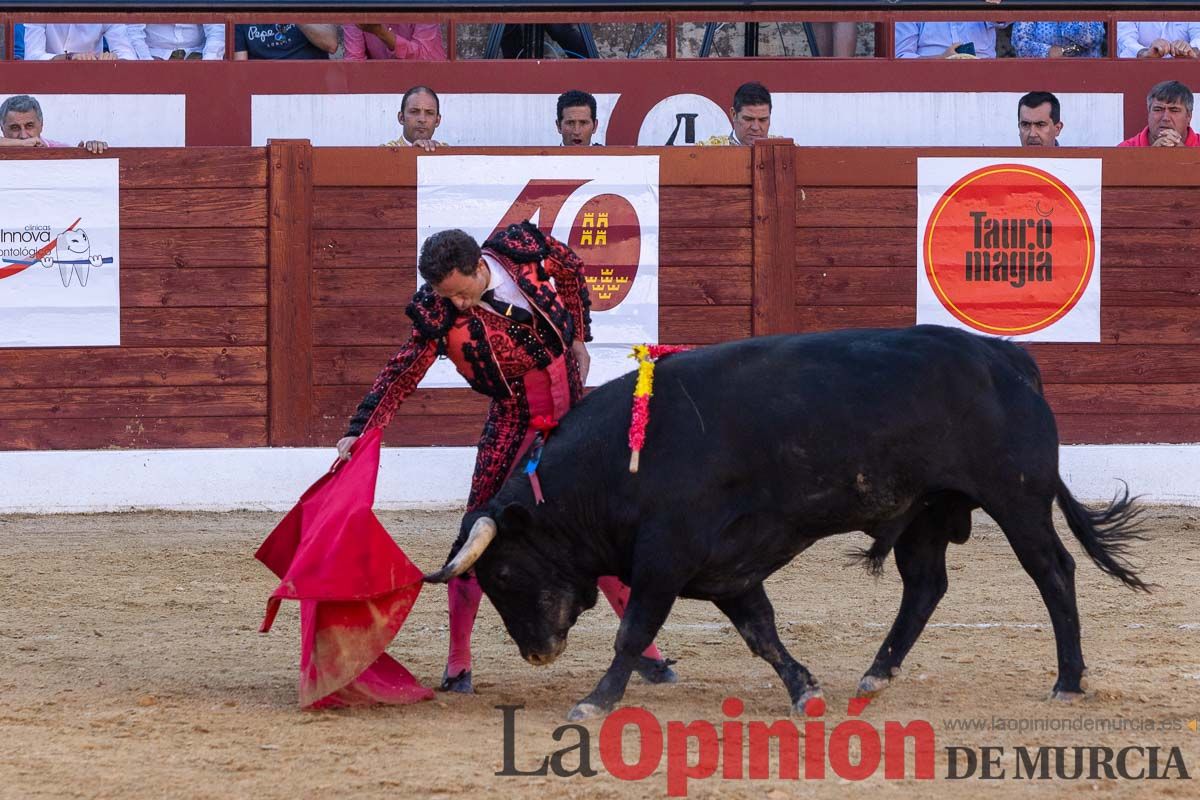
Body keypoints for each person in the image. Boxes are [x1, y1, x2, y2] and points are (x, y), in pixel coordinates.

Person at [335, 223, 676, 693]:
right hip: (514, 424)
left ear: (479, 267)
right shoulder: (437, 315)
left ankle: (644, 651)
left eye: (460, 292)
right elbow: (400, 373)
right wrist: (361, 430)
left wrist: (578, 336)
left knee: (602, 530)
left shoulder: (522, 250)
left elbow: (573, 271)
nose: (456, 304)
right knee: (475, 537)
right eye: (446, 296)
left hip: (577, 417)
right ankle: (458, 663)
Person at [0, 95, 108, 154]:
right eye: (15, 128)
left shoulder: (61, 149)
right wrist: (22, 144)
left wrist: (92, 149)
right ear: (2, 128)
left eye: (29, 126)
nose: (23, 136)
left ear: (41, 125)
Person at [1118, 80, 1200, 147]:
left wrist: (1186, 155)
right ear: (1148, 113)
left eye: (1174, 110)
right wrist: (1151, 155)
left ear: (1189, 116)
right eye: (1158, 109)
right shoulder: (1125, 149)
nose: (1165, 118)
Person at [699, 81, 773, 146]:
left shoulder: (781, 151)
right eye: (748, 119)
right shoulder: (708, 152)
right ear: (734, 114)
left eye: (763, 120)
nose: (755, 127)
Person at [20, 23, 137, 60]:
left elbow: (129, 56)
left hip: (94, 79)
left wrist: (112, 59)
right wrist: (69, 58)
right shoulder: (39, 4)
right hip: (49, 79)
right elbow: (32, 56)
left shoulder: (106, 4)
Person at [894, 22, 1006, 59]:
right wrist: (941, 59)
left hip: (985, 79)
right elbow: (902, 57)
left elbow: (1005, 18)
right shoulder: (909, 2)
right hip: (929, 82)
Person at [384, 85, 446, 152]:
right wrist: (412, 152)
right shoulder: (384, 152)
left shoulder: (447, 154)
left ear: (437, 121)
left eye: (429, 113)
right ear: (401, 118)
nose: (422, 119)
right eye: (414, 112)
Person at [341, 23, 446, 61]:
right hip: (382, 84)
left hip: (429, 84)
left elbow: (424, 58)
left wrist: (382, 34)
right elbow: (354, 60)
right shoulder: (356, 4)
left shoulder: (424, 3)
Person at [232, 24, 338, 60]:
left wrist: (292, 9)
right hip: (265, 91)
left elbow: (331, 44)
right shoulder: (244, 6)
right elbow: (241, 71)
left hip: (311, 86)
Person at [129, 23, 225, 60]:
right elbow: (133, 29)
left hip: (197, 54)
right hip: (155, 54)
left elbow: (216, 28)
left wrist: (209, 61)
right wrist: (146, 61)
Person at [1011, 22, 1105, 58]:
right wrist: (1049, 51)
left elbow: (1091, 38)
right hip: (1041, 73)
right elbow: (1020, 43)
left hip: (1085, 73)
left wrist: (1065, 10)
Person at [1116, 22, 1200, 59]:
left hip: (1184, 72)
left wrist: (1190, 50)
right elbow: (1125, 40)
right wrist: (1145, 53)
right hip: (1139, 72)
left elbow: (1198, 36)